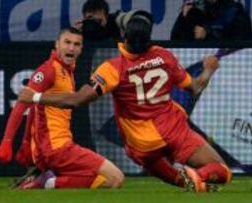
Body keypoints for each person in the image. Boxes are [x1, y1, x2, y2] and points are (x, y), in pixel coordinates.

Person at [18, 11, 232, 192]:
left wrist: (34, 96)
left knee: (186, 183)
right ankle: (198, 174)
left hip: (143, 145)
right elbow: (195, 87)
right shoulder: (164, 56)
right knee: (222, 171)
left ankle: (194, 178)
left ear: (124, 36)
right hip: (175, 131)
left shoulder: (113, 68)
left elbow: (77, 100)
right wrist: (208, 70)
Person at [0, 27, 124, 189]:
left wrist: (27, 143)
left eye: (76, 44)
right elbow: (23, 102)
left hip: (58, 147)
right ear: (57, 44)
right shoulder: (49, 70)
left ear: (81, 49)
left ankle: (47, 180)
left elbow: (36, 108)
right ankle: (46, 182)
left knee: (103, 178)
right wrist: (7, 142)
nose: (71, 48)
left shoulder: (67, 71)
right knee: (116, 178)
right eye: (67, 42)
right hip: (56, 149)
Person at [170, 0, 252, 41]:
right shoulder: (194, 10)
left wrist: (208, 34)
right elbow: (175, 39)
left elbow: (239, 41)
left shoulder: (234, 11)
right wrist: (183, 18)